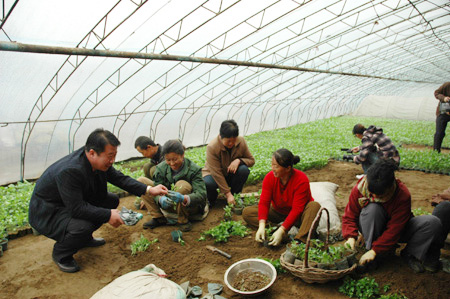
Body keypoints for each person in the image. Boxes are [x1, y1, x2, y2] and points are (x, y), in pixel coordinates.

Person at [28, 129, 168, 273]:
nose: (112, 161)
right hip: (49, 211)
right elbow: (77, 209)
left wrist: (149, 190)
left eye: (114, 155)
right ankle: (61, 253)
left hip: (70, 203)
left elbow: (119, 178)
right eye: (110, 156)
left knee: (110, 201)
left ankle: (84, 239)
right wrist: (108, 215)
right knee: (82, 227)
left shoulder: (97, 162)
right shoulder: (70, 170)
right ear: (92, 153)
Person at [342, 159, 443, 273]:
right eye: (372, 193)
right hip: (371, 225)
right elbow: (350, 215)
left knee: (432, 222)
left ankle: (409, 254)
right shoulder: (360, 188)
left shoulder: (402, 195)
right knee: (373, 208)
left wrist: (376, 250)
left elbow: (395, 229)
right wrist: (350, 237)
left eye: (379, 194)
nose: (374, 196)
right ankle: (370, 250)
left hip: (398, 230)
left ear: (390, 187)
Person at [242, 148, 321, 246]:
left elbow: (297, 209)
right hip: (278, 212)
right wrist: (261, 225)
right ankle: (277, 232)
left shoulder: (301, 179)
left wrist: (282, 229)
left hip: (299, 216)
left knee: (314, 206)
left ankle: (300, 240)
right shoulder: (270, 178)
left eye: (276, 166)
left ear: (288, 168)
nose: (272, 168)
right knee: (248, 213)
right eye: (272, 164)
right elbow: (264, 203)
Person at [141, 139, 208, 232]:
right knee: (141, 183)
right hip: (169, 204)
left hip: (189, 207)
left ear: (182, 155)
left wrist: (184, 198)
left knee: (182, 185)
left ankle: (183, 220)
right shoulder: (161, 168)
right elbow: (156, 187)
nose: (172, 163)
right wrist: (160, 199)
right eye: (168, 160)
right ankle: (158, 217)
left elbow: (201, 194)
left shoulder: (194, 169)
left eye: (175, 159)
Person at [202, 120, 255, 206]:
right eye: (228, 141)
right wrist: (227, 194)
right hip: (213, 174)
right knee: (208, 183)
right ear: (221, 136)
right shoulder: (212, 147)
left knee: (243, 170)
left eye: (234, 140)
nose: (231, 143)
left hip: (229, 174)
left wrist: (239, 160)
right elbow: (216, 173)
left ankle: (236, 196)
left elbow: (251, 160)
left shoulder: (241, 141)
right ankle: (211, 200)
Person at [433, 82, 450, 153]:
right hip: (443, 112)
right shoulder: (447, 85)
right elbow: (436, 93)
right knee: (439, 133)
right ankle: (436, 151)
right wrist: (444, 98)